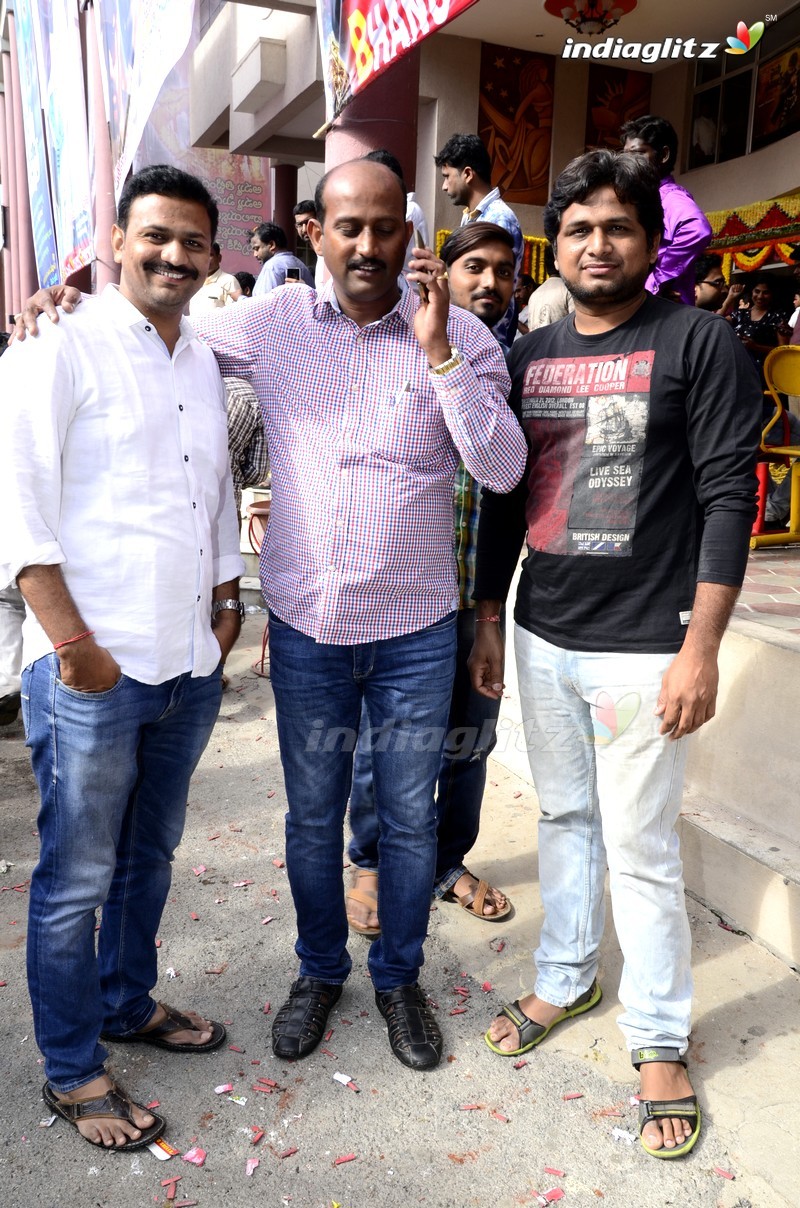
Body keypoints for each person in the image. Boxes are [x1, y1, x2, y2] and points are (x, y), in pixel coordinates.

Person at [17, 159, 526, 1074]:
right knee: (309, 817)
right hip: (305, 630)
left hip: (416, 630)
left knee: (409, 823)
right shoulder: (273, 321)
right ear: (316, 235)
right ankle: (319, 970)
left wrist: (440, 348)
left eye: (384, 227)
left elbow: (501, 469)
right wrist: (71, 302)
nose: (366, 245)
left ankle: (399, 977)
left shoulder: (462, 335)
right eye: (347, 228)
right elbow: (157, 320)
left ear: (412, 236)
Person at [471, 149, 761, 1159]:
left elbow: (730, 493)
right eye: (581, 226)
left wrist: (701, 645)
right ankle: (564, 976)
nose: (600, 243)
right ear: (561, 239)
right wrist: (483, 615)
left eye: (619, 226)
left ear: (649, 240)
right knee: (561, 813)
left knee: (637, 847)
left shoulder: (698, 342)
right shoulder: (529, 351)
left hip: (645, 648)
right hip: (542, 633)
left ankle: (656, 1035)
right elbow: (506, 497)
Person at [1, 165, 245, 1150]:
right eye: (157, 237)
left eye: (193, 242)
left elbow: (212, 493)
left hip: (185, 661)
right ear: (115, 238)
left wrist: (226, 604)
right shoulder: (55, 340)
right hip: (89, 669)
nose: (174, 256)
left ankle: (126, 999)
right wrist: (74, 646)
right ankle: (70, 1067)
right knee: (75, 874)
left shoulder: (200, 356)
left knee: (148, 853)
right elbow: (16, 507)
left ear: (214, 256)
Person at [346, 221, 519, 938]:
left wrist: (490, 618)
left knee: (471, 741)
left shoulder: (511, 365)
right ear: (438, 275)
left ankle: (448, 861)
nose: (489, 283)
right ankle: (373, 860)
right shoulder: (396, 351)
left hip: (472, 599)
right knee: (381, 743)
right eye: (473, 267)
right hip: (400, 601)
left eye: (504, 272)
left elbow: (507, 500)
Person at [435, 133, 523, 350]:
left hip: (488, 340)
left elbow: (497, 292)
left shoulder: (499, 219)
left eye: (447, 176)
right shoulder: (472, 216)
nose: (444, 186)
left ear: (467, 174)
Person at [621, 115, 712, 306]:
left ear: (663, 155)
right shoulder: (645, 198)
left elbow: (698, 230)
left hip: (667, 312)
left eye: (637, 154)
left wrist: (656, 281)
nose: (628, 164)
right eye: (625, 156)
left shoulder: (670, 197)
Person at [224, 375, 269, 515]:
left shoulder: (195, 383)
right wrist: (234, 475)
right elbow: (257, 472)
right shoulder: (258, 400)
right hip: (225, 503)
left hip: (171, 504)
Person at [251, 221, 315, 294]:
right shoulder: (301, 265)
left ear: (272, 245)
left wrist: (239, 297)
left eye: (257, 248)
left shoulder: (272, 266)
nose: (255, 254)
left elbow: (263, 302)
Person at [188, 241, 242, 314]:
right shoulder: (195, 281)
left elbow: (235, 313)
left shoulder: (229, 281)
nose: (206, 259)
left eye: (210, 255)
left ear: (219, 258)